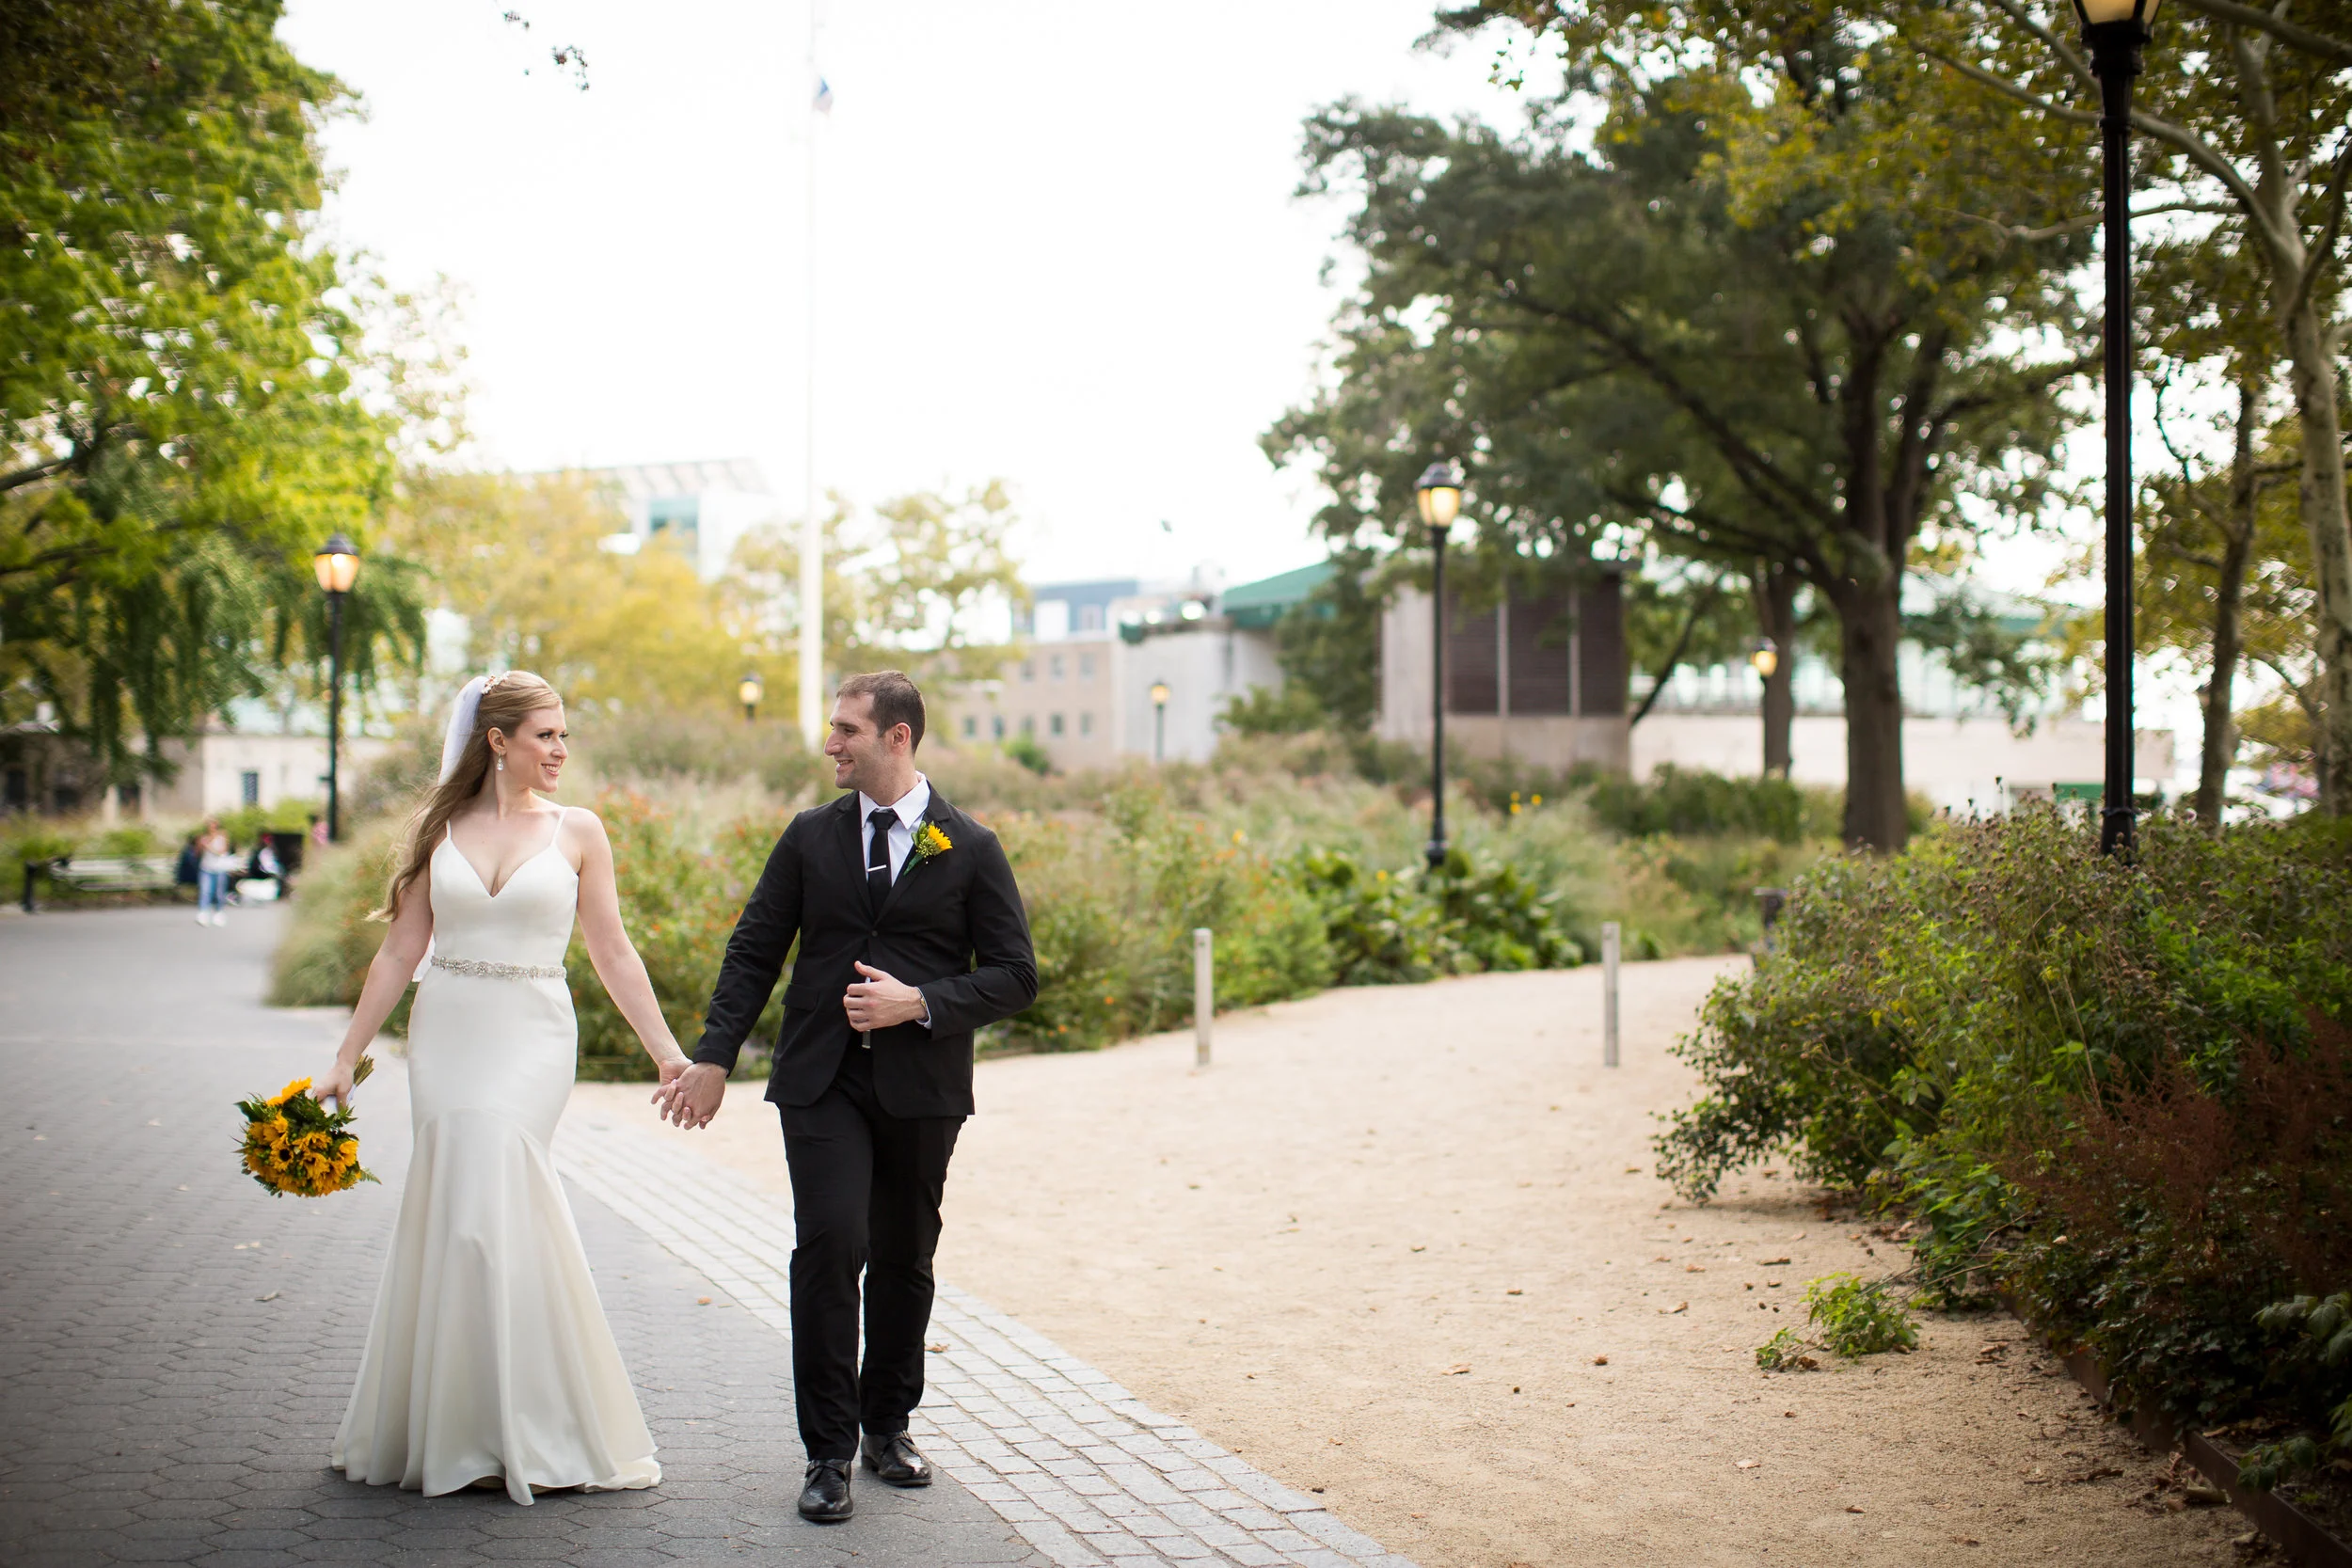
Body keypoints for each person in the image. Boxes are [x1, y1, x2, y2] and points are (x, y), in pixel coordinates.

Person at [659, 670, 1037, 1523]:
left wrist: (923, 1001)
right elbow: (755, 949)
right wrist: (714, 1056)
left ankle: (887, 1425)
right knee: (831, 1246)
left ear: (896, 737)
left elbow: (1017, 975)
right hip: (821, 1079)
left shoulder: (969, 846)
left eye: (846, 730)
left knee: (905, 1255)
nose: (830, 743)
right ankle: (826, 1453)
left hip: (922, 1087)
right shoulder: (808, 837)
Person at [314, 671, 687, 1504]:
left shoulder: (579, 831)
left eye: (563, 736)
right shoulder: (439, 827)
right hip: (447, 1030)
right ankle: (454, 1425)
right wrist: (345, 1057)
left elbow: (613, 951)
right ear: (497, 740)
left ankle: (534, 1423)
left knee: (497, 1192)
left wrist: (666, 1053)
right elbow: (401, 950)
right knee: (458, 1214)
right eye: (545, 735)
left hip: (532, 1034)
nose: (560, 750)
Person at [195, 820, 237, 927]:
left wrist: (209, 845)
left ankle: (219, 913)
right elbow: (197, 853)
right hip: (206, 868)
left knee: (219, 892)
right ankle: (203, 912)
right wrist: (200, 844)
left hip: (219, 868)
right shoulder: (203, 838)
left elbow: (221, 852)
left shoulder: (222, 837)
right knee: (205, 891)